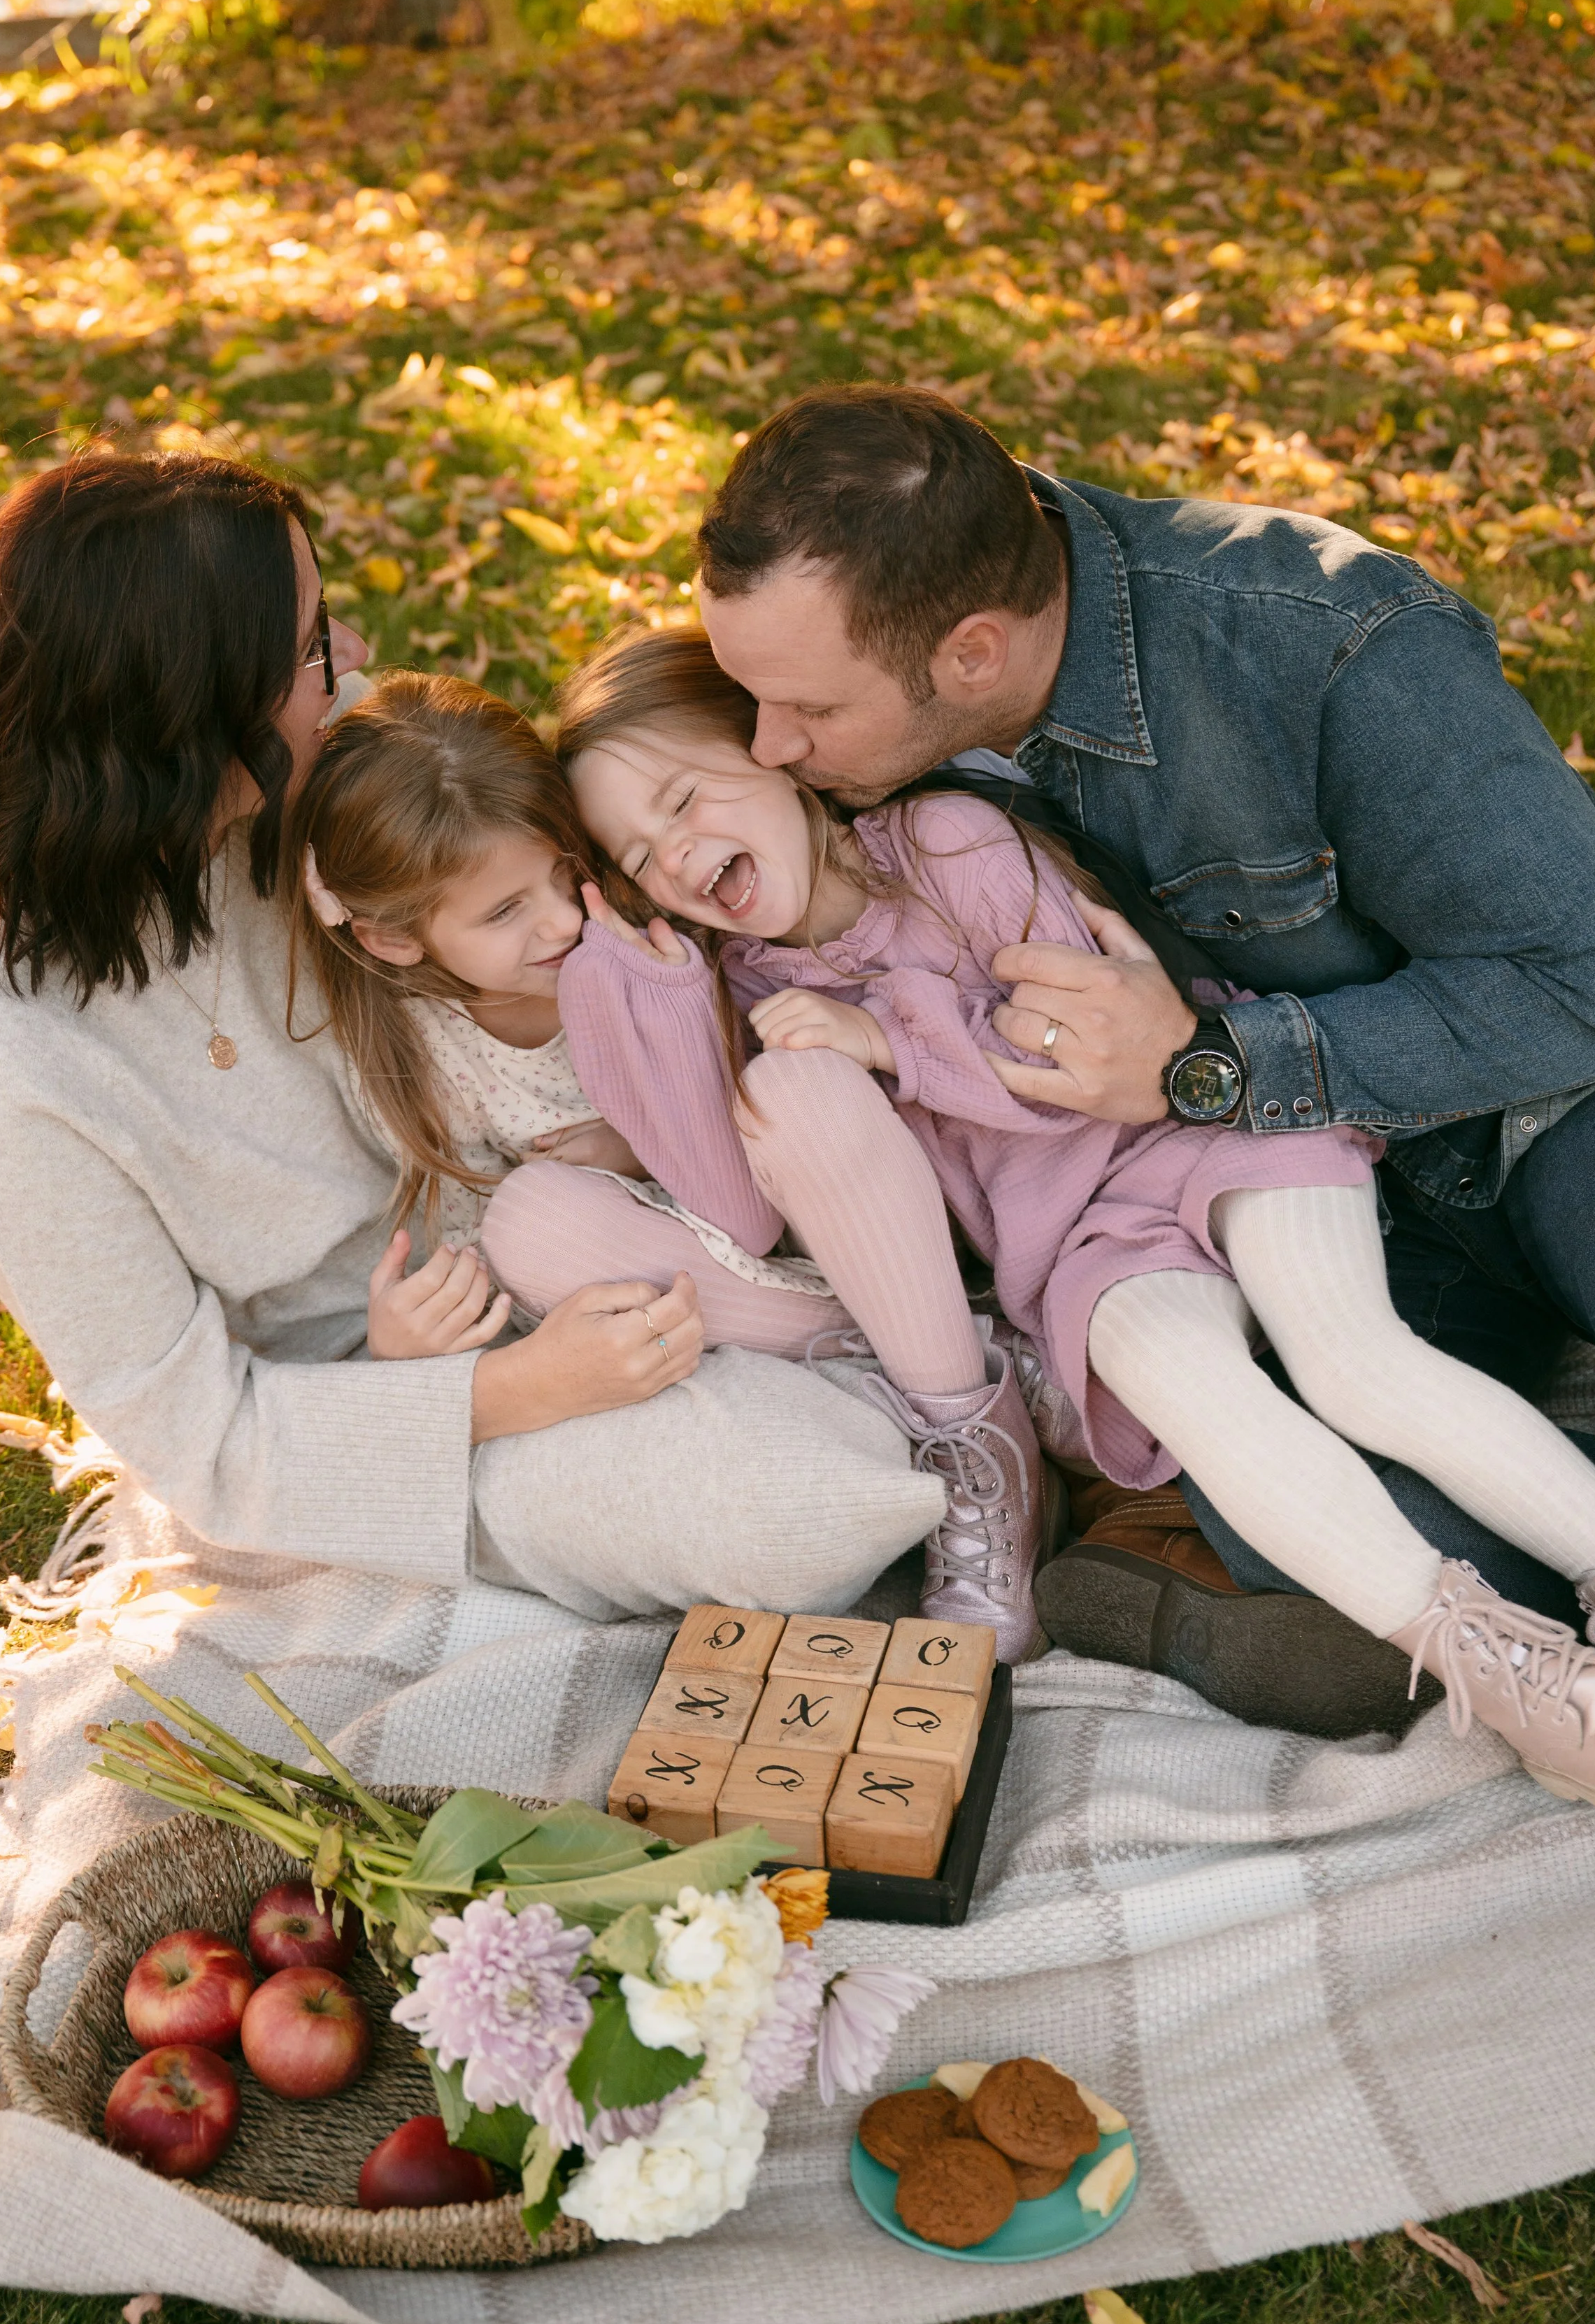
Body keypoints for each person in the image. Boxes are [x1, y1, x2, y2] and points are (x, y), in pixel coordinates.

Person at [537, 627, 1595, 1801]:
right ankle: (1524, 1684)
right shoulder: (754, 988)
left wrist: (887, 1042)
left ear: (779, 752)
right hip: (1085, 1244)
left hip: (1205, 1123)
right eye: (639, 855)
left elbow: (1079, 1056)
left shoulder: (945, 844)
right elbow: (735, 1208)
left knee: (1352, 1359)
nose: (680, 855)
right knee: (1201, 1402)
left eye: (687, 799)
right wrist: (636, 986)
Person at [688, 380, 1595, 1716]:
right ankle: (1287, 1592)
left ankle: (1260, 1604)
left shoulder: (1329, 641)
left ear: (972, 652)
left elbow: (1585, 979)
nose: (771, 749)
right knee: (1302, 1506)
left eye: (810, 715)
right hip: (1335, 1226)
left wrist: (1211, 1067)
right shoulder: (862, 716)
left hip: (1549, 1123)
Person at [0, 449, 926, 1616]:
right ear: (197, 719)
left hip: (611, 1231)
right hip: (386, 1408)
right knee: (813, 1505)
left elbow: (537, 880)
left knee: (877, 1242)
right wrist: (519, 1390)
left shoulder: (319, 793)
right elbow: (205, 1444)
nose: (360, 662)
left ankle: (943, 1389)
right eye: (316, 645)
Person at [289, 673, 1053, 1654]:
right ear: (395, 937)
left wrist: (654, 1089)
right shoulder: (421, 1054)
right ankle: (978, 1377)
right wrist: (408, 1352)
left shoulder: (661, 918)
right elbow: (494, 1251)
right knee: (530, 1222)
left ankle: (965, 1439)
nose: (562, 922)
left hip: (852, 1216)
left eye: (565, 875)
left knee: (801, 1090)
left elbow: (749, 1196)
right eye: (504, 913)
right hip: (746, 1304)